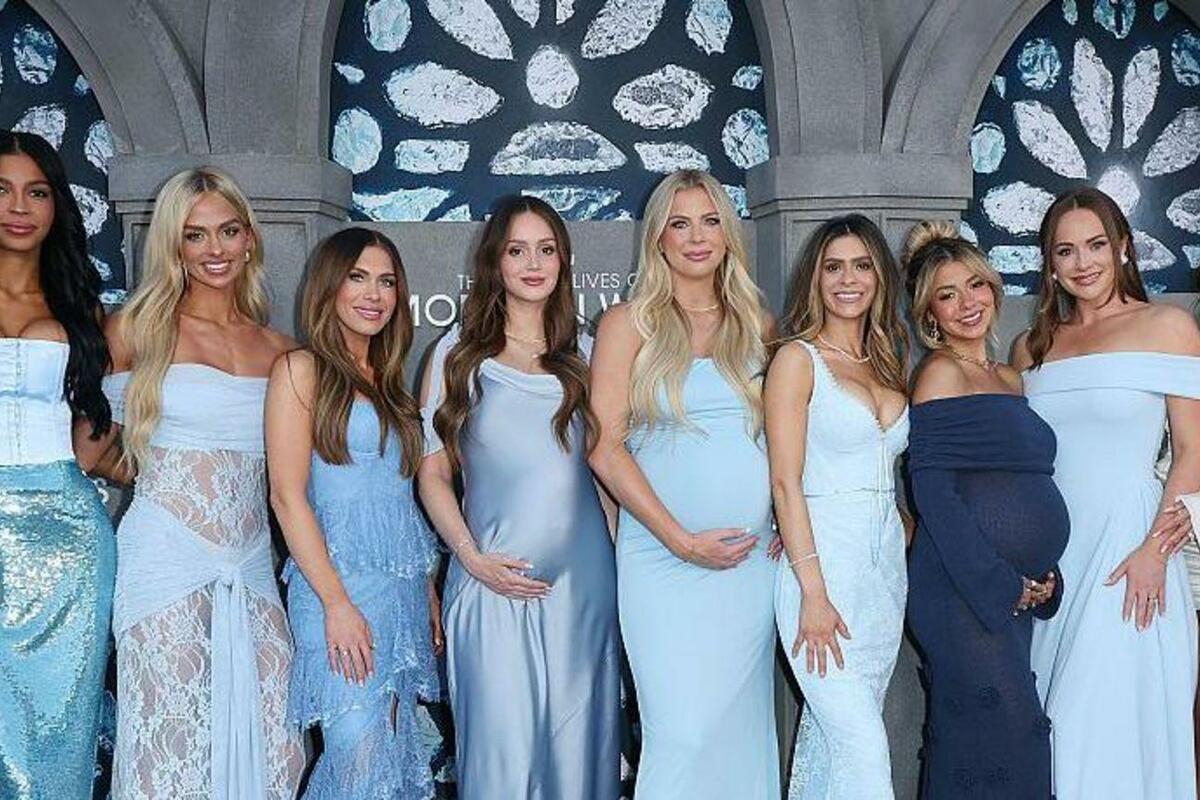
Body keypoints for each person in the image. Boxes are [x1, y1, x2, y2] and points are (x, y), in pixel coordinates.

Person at [95, 167, 305, 798]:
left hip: (250, 562)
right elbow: (92, 447)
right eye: (195, 235)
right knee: (173, 737)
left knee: (277, 743)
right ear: (174, 244)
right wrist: (164, 471)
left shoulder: (280, 350)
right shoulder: (135, 330)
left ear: (249, 239)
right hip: (165, 558)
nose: (215, 249)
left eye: (228, 231)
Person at [418, 196, 619, 799]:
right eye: (517, 250)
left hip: (583, 590)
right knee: (499, 759)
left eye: (546, 249)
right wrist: (471, 559)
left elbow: (606, 474)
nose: (533, 264)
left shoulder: (588, 354)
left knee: (579, 757)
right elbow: (432, 474)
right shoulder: (456, 355)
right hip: (489, 580)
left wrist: (625, 567)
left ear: (564, 260)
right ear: (495, 262)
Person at [588, 169, 777, 799]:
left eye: (710, 221)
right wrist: (681, 541)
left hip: (748, 568)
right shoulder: (627, 324)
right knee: (682, 735)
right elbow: (604, 447)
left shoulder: (759, 324)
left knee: (740, 733)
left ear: (728, 233)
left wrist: (784, 520)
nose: (697, 237)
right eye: (680, 223)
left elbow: (784, 440)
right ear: (658, 238)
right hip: (661, 563)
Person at [1014, 187, 1200, 799]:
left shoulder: (1168, 327)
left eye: (1095, 244)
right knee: (1051, 728)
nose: (1083, 262)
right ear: (1050, 264)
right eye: (1065, 250)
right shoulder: (1032, 347)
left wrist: (1155, 553)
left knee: (1099, 727)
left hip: (1130, 554)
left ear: (1123, 247)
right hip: (1054, 559)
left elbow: (1193, 452)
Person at [267, 227, 441, 797]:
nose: (374, 294)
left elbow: (400, 501)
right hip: (335, 592)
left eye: (386, 282)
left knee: (389, 750)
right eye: (358, 278)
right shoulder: (300, 370)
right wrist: (337, 604)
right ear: (329, 287)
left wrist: (427, 588)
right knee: (356, 752)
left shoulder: (389, 383)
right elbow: (287, 497)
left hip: (400, 594)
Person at [903, 220, 1066, 798]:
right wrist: (1000, 585)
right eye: (947, 295)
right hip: (961, 593)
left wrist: (1045, 576)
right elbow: (935, 498)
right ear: (930, 315)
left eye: (975, 285)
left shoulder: (1010, 378)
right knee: (1009, 736)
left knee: (993, 742)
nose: (967, 303)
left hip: (1009, 594)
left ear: (993, 289)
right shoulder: (939, 373)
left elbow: (1022, 485)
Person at [766, 214, 909, 799]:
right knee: (864, 749)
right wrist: (813, 592)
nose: (848, 280)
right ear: (815, 278)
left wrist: (900, 524)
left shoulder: (888, 359)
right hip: (821, 574)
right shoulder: (797, 360)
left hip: (883, 581)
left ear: (879, 276)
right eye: (833, 267)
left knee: (831, 746)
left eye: (861, 265)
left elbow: (886, 474)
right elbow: (784, 482)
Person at [0, 130, 116, 799]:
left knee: (59, 729)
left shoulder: (80, 308)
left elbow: (100, 423)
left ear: (55, 207)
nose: (19, 207)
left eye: (37, 192)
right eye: (3, 190)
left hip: (68, 540)